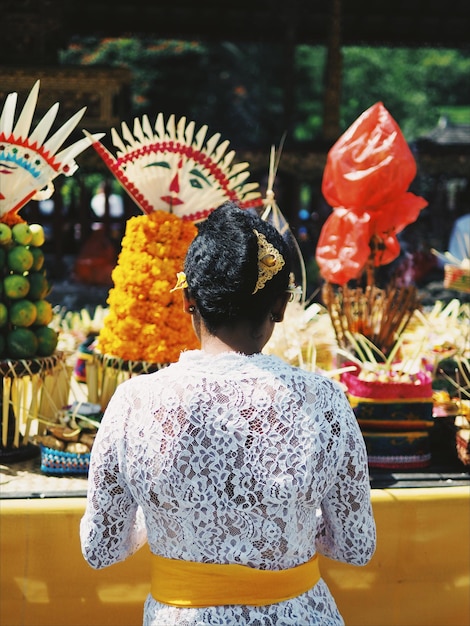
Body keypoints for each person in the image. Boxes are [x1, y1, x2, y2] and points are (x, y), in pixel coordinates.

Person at [80, 201, 376, 625]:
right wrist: (284, 523)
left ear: (187, 299)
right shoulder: (324, 401)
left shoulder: (134, 403)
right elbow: (356, 545)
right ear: (280, 308)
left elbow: (101, 550)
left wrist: (170, 515)